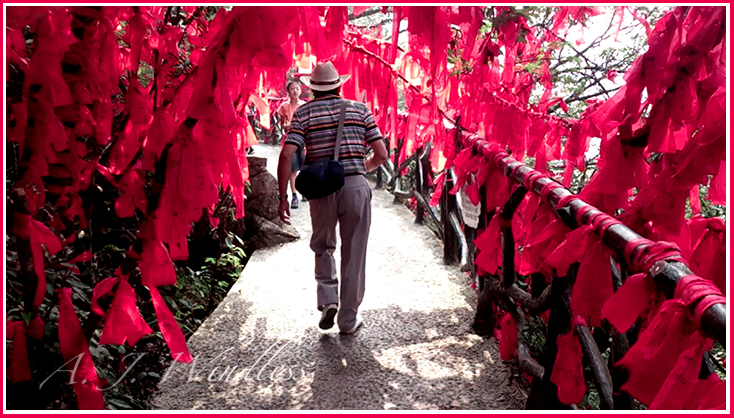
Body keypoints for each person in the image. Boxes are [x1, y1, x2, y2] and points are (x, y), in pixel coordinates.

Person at [277, 62, 389, 334]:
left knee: (323, 246)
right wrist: (361, 169)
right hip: (354, 187)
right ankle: (348, 321)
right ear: (340, 85)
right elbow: (382, 154)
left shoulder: (303, 113)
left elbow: (286, 154)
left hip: (322, 188)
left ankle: (328, 300)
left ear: (311, 89)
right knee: (354, 252)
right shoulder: (360, 110)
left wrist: (283, 197)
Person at [277, 81, 307, 209]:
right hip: (290, 139)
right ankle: (294, 195)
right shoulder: (284, 107)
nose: (295, 91)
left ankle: (305, 190)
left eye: (297, 89)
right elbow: (282, 124)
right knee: (292, 169)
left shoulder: (305, 106)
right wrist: (286, 126)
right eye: (292, 89)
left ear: (300, 91)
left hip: (305, 140)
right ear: (288, 91)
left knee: (305, 167)